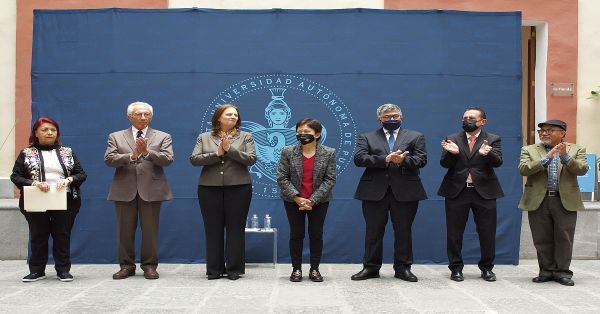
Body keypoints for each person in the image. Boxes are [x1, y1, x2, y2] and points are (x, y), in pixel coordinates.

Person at [351, 103, 427, 282]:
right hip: (373, 191)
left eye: (395, 116)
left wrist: (403, 160)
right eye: (387, 117)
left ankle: (403, 268)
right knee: (373, 232)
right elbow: (359, 158)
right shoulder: (367, 137)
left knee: (404, 231)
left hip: (406, 191)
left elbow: (421, 160)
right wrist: (384, 159)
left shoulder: (416, 136)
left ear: (401, 117)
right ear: (379, 119)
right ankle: (371, 268)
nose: (392, 119)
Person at [11, 117, 87, 282]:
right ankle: (37, 270)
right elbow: (15, 177)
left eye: (53, 130)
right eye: (45, 130)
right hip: (36, 199)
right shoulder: (26, 153)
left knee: (62, 234)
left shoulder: (67, 151)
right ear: (36, 133)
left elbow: (81, 174)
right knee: (39, 234)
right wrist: (34, 183)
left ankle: (63, 270)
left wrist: (68, 180)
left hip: (64, 198)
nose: (49, 133)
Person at [104, 101, 174, 280]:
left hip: (152, 189)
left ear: (151, 116)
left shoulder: (162, 136)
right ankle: (126, 266)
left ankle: (150, 266)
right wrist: (131, 155)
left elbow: (167, 159)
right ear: (129, 117)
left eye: (147, 114)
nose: (143, 117)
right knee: (124, 232)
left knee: (150, 231)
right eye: (139, 114)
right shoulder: (116, 136)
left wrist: (147, 153)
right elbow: (109, 159)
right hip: (124, 189)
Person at [190, 103, 256, 280]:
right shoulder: (204, 137)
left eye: (235, 115)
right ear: (219, 117)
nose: (233, 117)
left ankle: (234, 269)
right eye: (229, 115)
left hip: (240, 188)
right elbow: (195, 159)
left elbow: (251, 159)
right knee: (213, 229)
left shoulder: (246, 136)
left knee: (236, 229)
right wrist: (217, 153)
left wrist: (230, 150)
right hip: (209, 188)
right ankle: (214, 269)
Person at [518, 119, 588, 286]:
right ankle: (546, 271)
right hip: (538, 200)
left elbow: (582, 169)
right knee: (541, 238)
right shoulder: (529, 149)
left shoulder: (576, 149)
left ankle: (562, 272)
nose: (544, 133)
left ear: (563, 133)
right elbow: (524, 169)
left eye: (550, 130)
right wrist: (546, 158)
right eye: (541, 130)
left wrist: (564, 156)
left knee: (564, 237)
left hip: (564, 200)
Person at [438, 107, 504, 282]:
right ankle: (456, 268)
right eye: (465, 117)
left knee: (487, 232)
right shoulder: (452, 139)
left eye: (472, 118)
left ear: (483, 121)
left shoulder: (492, 139)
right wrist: (454, 153)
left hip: (484, 192)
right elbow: (444, 164)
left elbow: (498, 163)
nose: (467, 120)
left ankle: (487, 268)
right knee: (454, 233)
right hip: (457, 191)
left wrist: (488, 153)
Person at [276, 118, 336, 282]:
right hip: (293, 200)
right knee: (296, 234)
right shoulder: (287, 151)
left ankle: (315, 269)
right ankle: (296, 269)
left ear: (317, 134)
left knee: (316, 234)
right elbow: (282, 178)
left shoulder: (329, 152)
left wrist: (312, 200)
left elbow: (329, 180)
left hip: (319, 201)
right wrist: (297, 198)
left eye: (307, 132)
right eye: (299, 131)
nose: (302, 134)